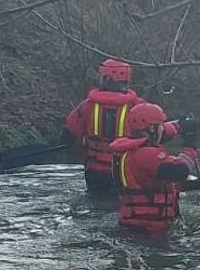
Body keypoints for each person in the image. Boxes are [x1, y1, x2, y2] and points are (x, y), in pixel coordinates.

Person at [64, 58, 181, 193]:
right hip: (124, 171)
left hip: (95, 173)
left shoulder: (86, 106)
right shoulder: (138, 106)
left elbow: (69, 137)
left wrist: (82, 151)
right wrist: (177, 127)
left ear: (107, 79)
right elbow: (159, 133)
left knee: (96, 202)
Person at [108, 103, 199, 234]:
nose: (163, 128)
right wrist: (190, 144)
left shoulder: (127, 149)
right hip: (149, 230)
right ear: (151, 128)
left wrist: (179, 125)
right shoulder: (146, 154)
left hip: (134, 224)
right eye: (160, 125)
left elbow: (151, 184)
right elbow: (180, 171)